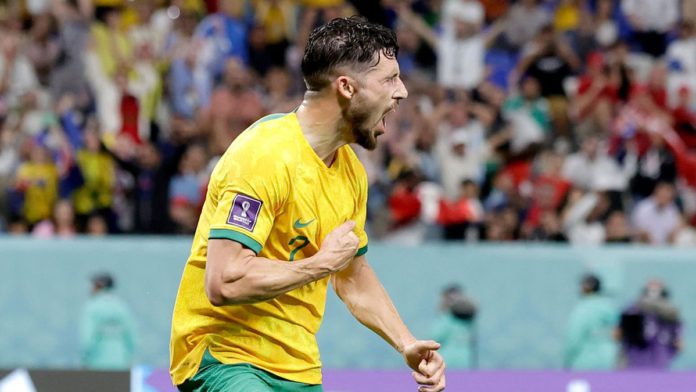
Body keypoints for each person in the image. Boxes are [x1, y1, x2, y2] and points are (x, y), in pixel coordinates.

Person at [170, 17, 446, 392]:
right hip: (224, 357)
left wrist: (406, 342)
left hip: (298, 368)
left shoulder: (351, 173)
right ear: (347, 87)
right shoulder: (265, 155)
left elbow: (352, 276)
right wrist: (319, 265)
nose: (402, 93)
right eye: (389, 79)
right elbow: (224, 280)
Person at [618, 279, 682, 369]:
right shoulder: (634, 307)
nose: (653, 292)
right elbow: (621, 330)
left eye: (656, 289)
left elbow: (677, 331)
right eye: (651, 289)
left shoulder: (671, 311)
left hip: (660, 350)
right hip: (637, 351)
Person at [79, 273, 137, 370]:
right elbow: (132, 338)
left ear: (99, 287)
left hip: (96, 364)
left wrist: (85, 360)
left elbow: (87, 340)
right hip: (120, 364)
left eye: (93, 285)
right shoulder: (122, 307)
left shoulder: (91, 307)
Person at [563, 274, 619, 370]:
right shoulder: (610, 307)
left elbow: (574, 338)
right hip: (610, 363)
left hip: (584, 364)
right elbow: (619, 333)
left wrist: (567, 361)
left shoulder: (582, 310)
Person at [431, 284, 477, 369]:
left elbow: (433, 338)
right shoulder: (467, 321)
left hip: (449, 364)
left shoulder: (445, 320)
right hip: (459, 364)